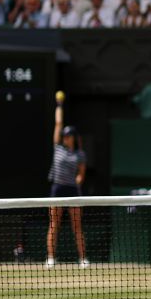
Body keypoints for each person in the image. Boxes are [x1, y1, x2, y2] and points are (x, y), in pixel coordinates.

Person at [46, 92, 88, 268]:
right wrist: (59, 105)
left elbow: (81, 174)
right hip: (57, 189)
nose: (66, 138)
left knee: (77, 225)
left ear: (73, 138)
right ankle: (50, 258)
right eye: (64, 135)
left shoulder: (80, 154)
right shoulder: (58, 148)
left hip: (72, 190)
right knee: (54, 224)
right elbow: (58, 123)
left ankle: (83, 259)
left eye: (68, 135)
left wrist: (77, 181)